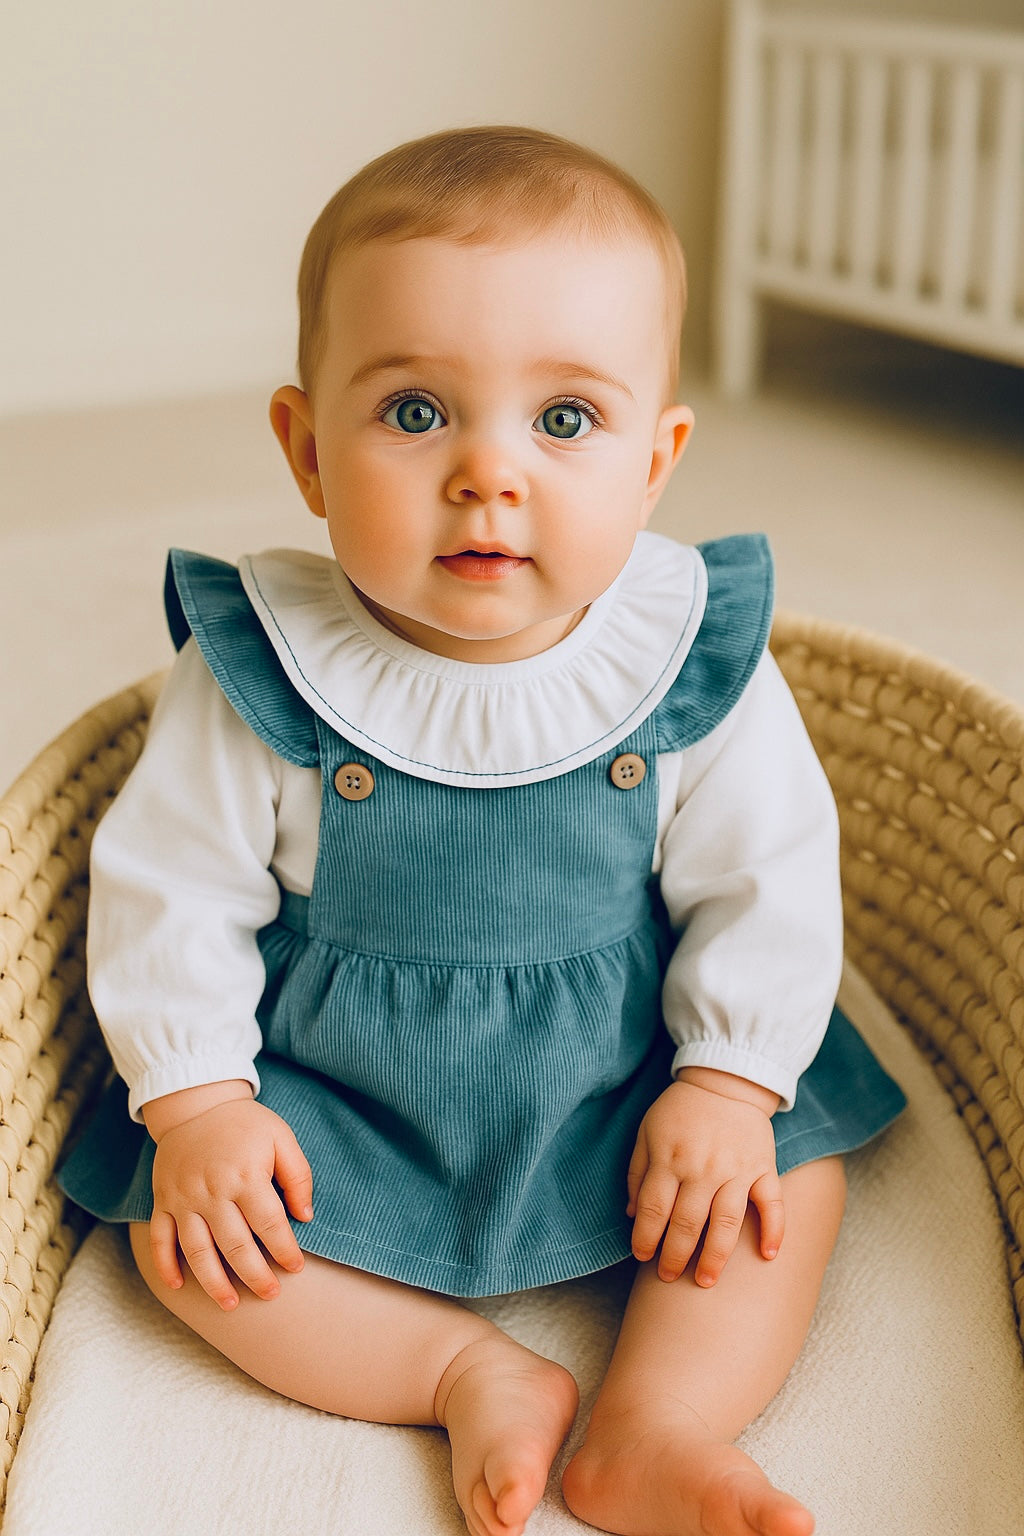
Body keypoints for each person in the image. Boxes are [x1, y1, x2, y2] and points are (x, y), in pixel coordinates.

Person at [59, 125, 905, 1536]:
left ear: (657, 458)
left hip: (625, 1070)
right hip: (345, 1092)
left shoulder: (687, 656)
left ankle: (652, 1423)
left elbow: (768, 884)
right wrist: (201, 1101)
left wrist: (729, 1086)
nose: (487, 475)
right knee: (183, 1236)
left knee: (785, 1180)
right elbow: (167, 892)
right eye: (412, 414)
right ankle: (459, 1372)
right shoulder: (258, 667)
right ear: (306, 447)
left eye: (565, 420)